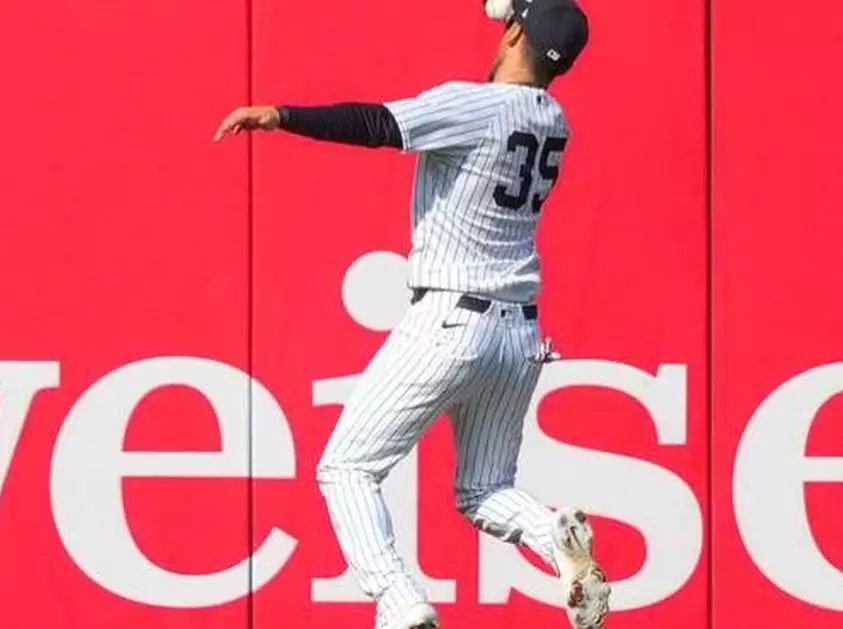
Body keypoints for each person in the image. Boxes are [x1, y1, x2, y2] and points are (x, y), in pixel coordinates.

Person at [214, 1, 607, 627]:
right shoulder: (555, 119)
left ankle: (398, 602)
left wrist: (281, 116)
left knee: (346, 467)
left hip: (451, 321)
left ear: (513, 31)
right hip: (520, 334)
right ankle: (553, 532)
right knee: (483, 492)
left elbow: (376, 123)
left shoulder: (478, 105)